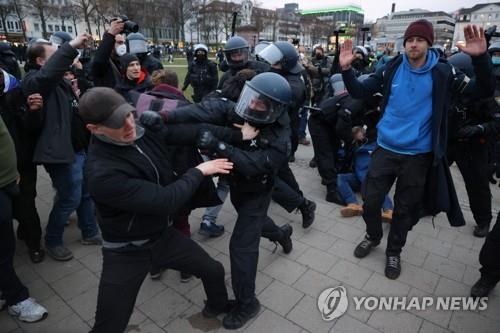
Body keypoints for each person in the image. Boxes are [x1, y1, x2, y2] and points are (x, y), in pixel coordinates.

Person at [80, 87, 245, 332]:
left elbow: (192, 131)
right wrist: (199, 171)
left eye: (129, 115)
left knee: (213, 270)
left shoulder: (136, 130)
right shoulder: (101, 173)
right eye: (118, 122)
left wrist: (238, 136)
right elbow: (166, 201)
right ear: (95, 129)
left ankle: (217, 306)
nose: (129, 125)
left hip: (161, 236)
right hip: (127, 251)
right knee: (110, 323)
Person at [340, 21, 495, 280]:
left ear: (428, 43)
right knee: (371, 201)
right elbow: (360, 90)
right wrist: (346, 70)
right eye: (410, 39)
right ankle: (373, 236)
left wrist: (481, 59)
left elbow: (482, 91)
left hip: (418, 156)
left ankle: (394, 251)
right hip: (385, 149)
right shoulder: (392, 67)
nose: (413, 44)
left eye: (419, 39)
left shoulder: (444, 72)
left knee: (404, 209)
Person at [167, 72, 295, 329]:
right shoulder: (243, 108)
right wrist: (166, 117)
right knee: (258, 224)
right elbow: (206, 110)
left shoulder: (281, 140)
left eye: (262, 103)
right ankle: (280, 234)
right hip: (237, 187)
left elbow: (252, 165)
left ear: (275, 109)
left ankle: (248, 303)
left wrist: (220, 145)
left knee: (241, 246)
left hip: (257, 193)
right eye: (253, 99)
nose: (254, 105)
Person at [22, 35, 102, 261]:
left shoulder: (59, 81)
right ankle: (53, 240)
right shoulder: (34, 80)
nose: (60, 58)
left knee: (86, 194)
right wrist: (70, 46)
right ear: (40, 61)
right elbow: (44, 80)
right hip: (62, 155)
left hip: (80, 148)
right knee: (69, 198)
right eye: (54, 55)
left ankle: (89, 232)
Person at [0, 110, 48, 323]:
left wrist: (10, 171)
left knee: (6, 245)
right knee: (2, 248)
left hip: (8, 181)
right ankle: (16, 298)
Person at [447, 52, 500, 237]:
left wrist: (479, 128)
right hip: (449, 140)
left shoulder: (485, 95)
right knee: (432, 172)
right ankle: (428, 204)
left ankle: (483, 220)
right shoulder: (449, 89)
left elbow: (497, 122)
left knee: (477, 185)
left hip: (473, 145)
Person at [0, 68, 45, 263]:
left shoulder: (17, 89)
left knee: (26, 205)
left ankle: (34, 243)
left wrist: (34, 112)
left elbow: (32, 128)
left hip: (22, 163)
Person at [337, 126, 394, 223]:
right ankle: (353, 204)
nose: (357, 135)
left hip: (370, 176)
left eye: (358, 133)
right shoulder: (352, 146)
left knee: (377, 186)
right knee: (340, 178)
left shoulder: (374, 144)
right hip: (358, 177)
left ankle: (389, 210)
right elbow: (341, 154)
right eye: (354, 134)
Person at [91, 18, 127, 88]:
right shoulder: (103, 62)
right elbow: (99, 61)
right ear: (111, 44)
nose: (122, 45)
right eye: (119, 43)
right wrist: (111, 34)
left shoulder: (122, 60)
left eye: (123, 42)